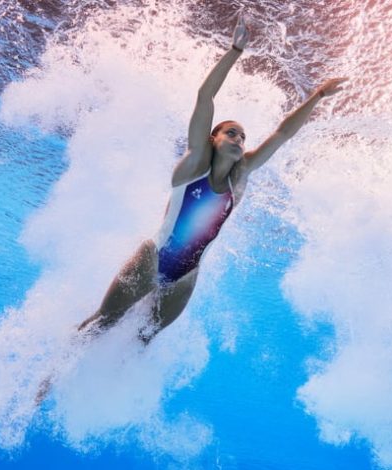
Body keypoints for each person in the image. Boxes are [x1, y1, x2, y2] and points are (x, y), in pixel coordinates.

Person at [76, 15, 346, 344]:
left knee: (143, 340)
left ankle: (105, 388)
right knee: (104, 322)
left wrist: (317, 95)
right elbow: (205, 98)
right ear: (213, 138)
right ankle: (44, 382)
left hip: (185, 278)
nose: (239, 139)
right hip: (152, 259)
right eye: (231, 132)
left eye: (243, 137)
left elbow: (282, 134)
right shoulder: (194, 164)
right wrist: (234, 51)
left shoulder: (240, 179)